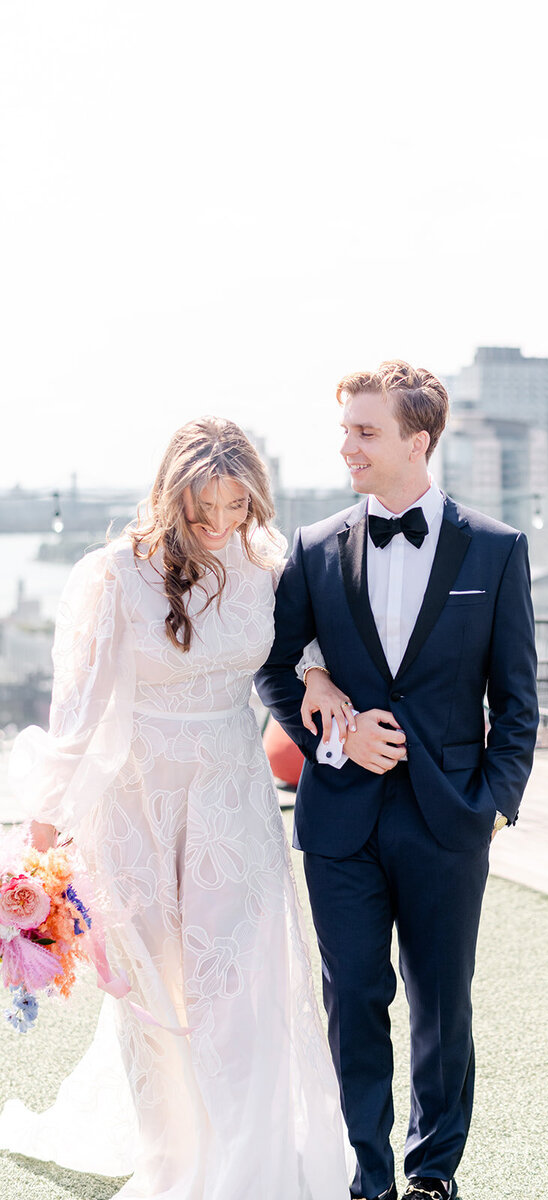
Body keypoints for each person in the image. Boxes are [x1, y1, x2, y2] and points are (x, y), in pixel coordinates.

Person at [0, 418, 354, 1199]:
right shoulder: (112, 576)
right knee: (157, 999)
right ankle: (178, 1165)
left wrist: (320, 676)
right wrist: (40, 844)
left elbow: (303, 646)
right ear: (171, 497)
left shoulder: (267, 565)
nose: (223, 524)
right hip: (135, 803)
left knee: (240, 987)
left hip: (232, 796)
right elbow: (78, 715)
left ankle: (249, 1167)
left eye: (238, 506)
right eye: (205, 510)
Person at [256, 361, 538, 1200]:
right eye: (344, 429)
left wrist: (491, 807)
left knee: (442, 1006)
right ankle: (366, 1176)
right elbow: (275, 668)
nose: (347, 446)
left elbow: (518, 702)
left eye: (365, 431)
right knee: (354, 1001)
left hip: (448, 820)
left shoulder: (496, 549)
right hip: (340, 819)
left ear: (418, 441)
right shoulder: (312, 548)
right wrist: (333, 722)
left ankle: (432, 1174)